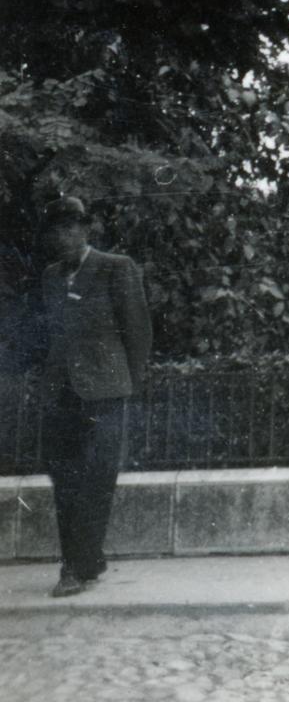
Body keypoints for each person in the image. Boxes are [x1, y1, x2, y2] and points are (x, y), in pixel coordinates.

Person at [35, 196, 152, 599]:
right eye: (56, 230)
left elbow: (137, 332)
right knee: (64, 478)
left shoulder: (116, 268)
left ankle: (76, 567)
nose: (63, 237)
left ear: (86, 230)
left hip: (105, 394)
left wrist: (127, 387)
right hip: (61, 394)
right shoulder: (50, 276)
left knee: (97, 478)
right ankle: (85, 559)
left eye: (71, 228)